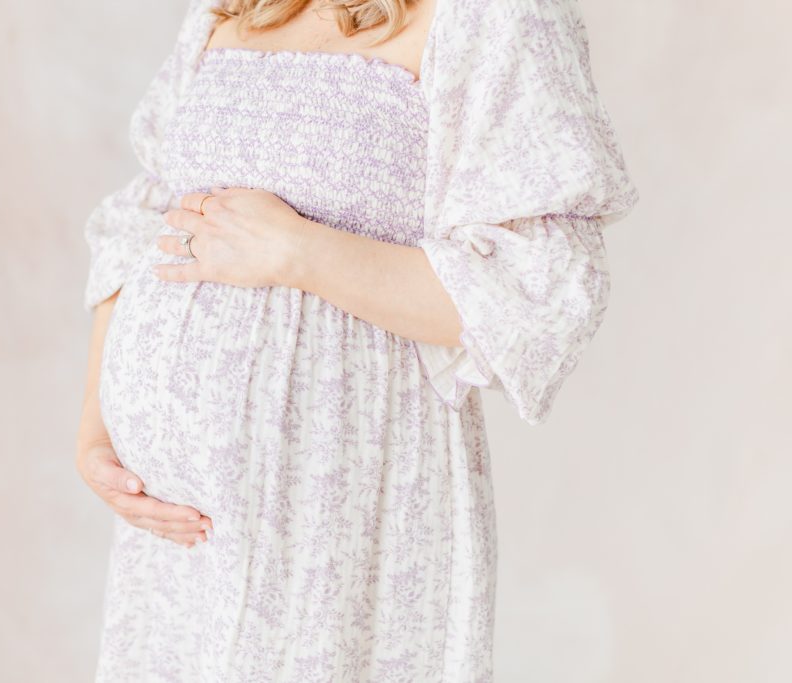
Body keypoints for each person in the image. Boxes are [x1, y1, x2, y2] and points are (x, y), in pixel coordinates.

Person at [74, 0, 638, 680]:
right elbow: (143, 220)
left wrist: (302, 251)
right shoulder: (229, 10)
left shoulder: (493, 16)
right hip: (173, 554)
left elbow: (543, 287)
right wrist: (97, 433)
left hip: (339, 522)